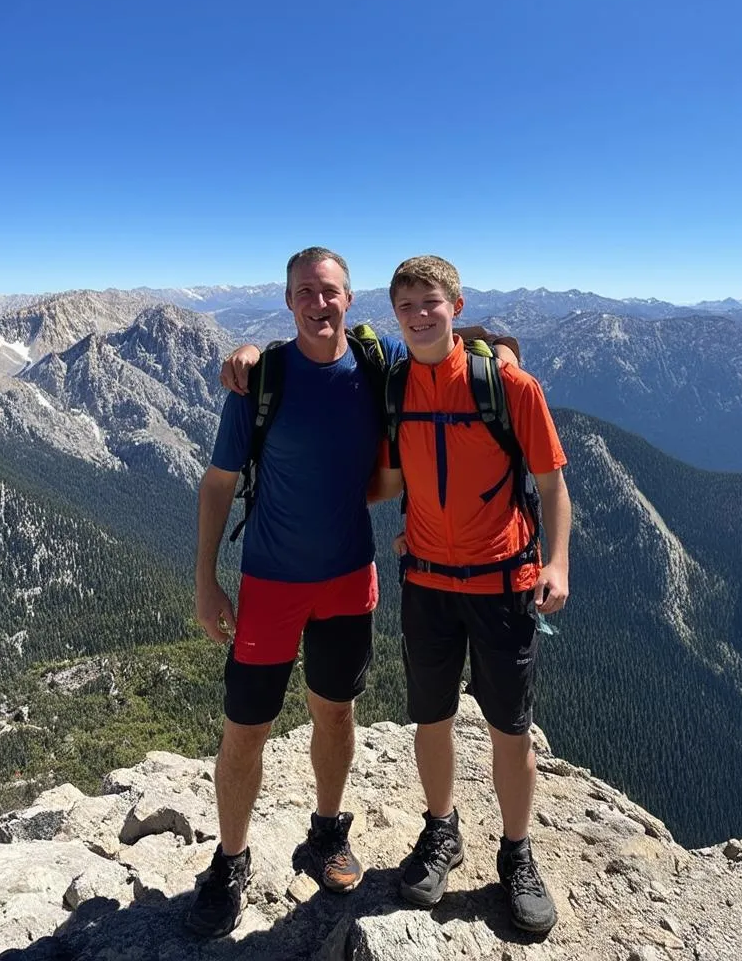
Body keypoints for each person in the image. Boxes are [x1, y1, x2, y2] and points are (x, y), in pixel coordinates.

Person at [188, 247, 517, 938]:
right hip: (269, 583)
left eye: (330, 291)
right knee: (246, 728)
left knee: (335, 712)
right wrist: (206, 581)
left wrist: (499, 351)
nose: (319, 303)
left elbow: (446, 341)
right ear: (288, 302)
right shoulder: (261, 379)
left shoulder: (378, 365)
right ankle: (230, 859)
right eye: (305, 292)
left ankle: (327, 832)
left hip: (348, 579)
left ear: (350, 299)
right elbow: (218, 484)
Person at [377, 255, 571, 937]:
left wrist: (558, 565)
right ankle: (441, 832)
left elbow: (551, 485)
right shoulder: (397, 386)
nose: (419, 315)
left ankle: (516, 856)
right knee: (430, 717)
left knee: (509, 728)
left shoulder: (507, 385)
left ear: (455, 306)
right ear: (395, 316)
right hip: (427, 581)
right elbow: (394, 480)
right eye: (406, 307)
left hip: (501, 584)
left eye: (430, 302)